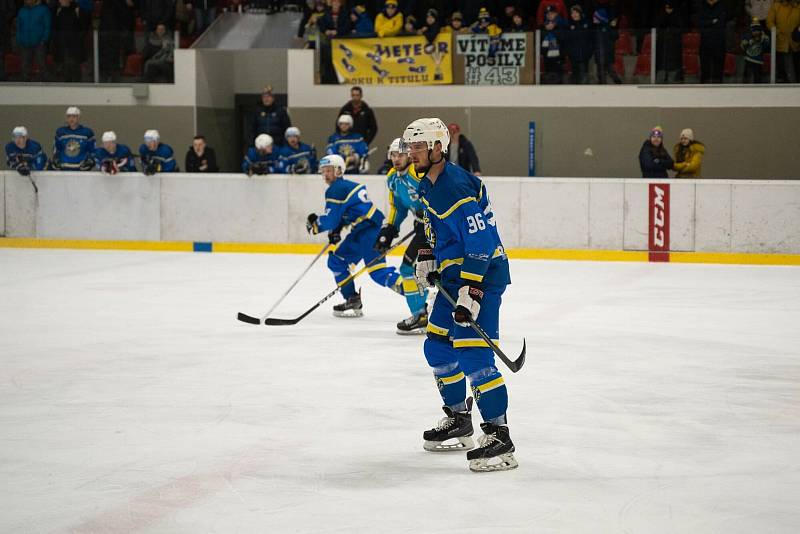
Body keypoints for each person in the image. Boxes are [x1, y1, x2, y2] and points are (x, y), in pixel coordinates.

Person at [402, 117, 517, 472]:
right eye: (411, 148)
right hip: (456, 276)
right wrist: (427, 253)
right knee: (436, 347)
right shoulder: (427, 184)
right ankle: (459, 418)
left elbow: (480, 241)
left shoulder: (455, 184)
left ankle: (500, 437)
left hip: (483, 274)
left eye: (418, 147)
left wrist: (473, 287)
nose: (412, 154)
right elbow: (437, 229)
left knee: (473, 357)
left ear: (438, 147)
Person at [305, 154, 405, 318]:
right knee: (337, 261)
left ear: (338, 170)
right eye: (323, 171)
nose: (325, 174)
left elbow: (330, 220)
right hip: (362, 230)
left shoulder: (336, 188)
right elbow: (348, 213)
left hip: (370, 232)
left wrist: (315, 226)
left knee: (378, 273)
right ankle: (352, 298)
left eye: (328, 170)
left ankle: (417, 294)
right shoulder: (344, 186)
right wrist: (337, 230)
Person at [374, 138, 429, 334]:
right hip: (425, 228)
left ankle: (422, 314)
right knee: (413, 269)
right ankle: (422, 314)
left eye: (402, 154)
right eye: (394, 155)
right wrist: (389, 230)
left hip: (439, 228)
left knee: (413, 269)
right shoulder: (393, 178)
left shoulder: (417, 172)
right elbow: (398, 207)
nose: (397, 159)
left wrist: (429, 214)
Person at [99, 0, 136, 83]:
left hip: (118, 28)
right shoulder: (109, 4)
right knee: (107, 52)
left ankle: (114, 74)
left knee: (114, 53)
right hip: (108, 28)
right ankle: (106, 74)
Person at [16, 0, 52, 82]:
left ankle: (47, 84)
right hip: (25, 42)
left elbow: (47, 26)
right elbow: (18, 26)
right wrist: (19, 39)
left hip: (39, 43)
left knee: (42, 64)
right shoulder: (22, 10)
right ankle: (24, 83)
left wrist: (44, 39)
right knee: (25, 65)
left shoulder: (44, 10)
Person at [767, 0, 800, 83]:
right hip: (780, 41)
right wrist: (776, 32)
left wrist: (798, 32)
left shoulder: (798, 6)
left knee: (797, 68)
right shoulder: (776, 6)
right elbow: (769, 22)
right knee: (781, 69)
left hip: (796, 42)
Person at [52, 0, 84, 82]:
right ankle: (67, 83)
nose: (61, 1)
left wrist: (78, 16)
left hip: (74, 42)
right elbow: (55, 26)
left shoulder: (76, 9)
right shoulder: (57, 10)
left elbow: (81, 26)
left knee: (74, 63)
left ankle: (77, 82)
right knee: (65, 64)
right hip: (63, 42)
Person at [655, 0, 686, 84]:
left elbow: (680, 29)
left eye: (670, 8)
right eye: (666, 8)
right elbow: (658, 26)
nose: (668, 10)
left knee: (673, 69)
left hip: (674, 48)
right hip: (663, 47)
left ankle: (674, 78)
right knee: (662, 66)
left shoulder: (678, 17)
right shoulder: (661, 16)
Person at [592, 0, 622, 84]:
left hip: (607, 54)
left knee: (609, 69)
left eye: (596, 17)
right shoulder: (595, 29)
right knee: (601, 70)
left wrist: (612, 27)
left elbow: (615, 36)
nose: (594, 19)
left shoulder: (608, 28)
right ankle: (602, 83)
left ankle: (617, 82)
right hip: (600, 55)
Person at [562, 4, 592, 84]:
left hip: (584, 56)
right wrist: (569, 52)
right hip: (573, 57)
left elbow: (591, 40)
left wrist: (589, 52)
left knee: (584, 78)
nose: (574, 15)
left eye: (576, 12)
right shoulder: (568, 26)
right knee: (575, 77)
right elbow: (566, 41)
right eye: (572, 13)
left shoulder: (587, 24)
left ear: (580, 13)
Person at [699, 0, 727, 83]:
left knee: (718, 68)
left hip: (719, 41)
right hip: (705, 41)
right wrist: (712, 21)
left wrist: (707, 22)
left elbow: (721, 22)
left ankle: (718, 86)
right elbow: (699, 22)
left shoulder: (722, 7)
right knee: (704, 68)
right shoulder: (702, 7)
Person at [741, 18, 771, 83]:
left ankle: (758, 87)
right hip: (748, 59)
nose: (756, 32)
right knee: (747, 75)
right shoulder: (747, 37)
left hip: (758, 61)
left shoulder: (763, 37)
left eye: (757, 30)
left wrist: (764, 39)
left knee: (757, 76)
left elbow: (766, 46)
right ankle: (745, 86)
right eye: (754, 31)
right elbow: (743, 46)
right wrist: (748, 42)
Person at [540, 6, 564, 84]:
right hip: (547, 57)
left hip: (558, 57)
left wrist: (555, 26)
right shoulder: (543, 27)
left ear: (556, 14)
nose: (549, 15)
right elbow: (540, 41)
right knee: (548, 79)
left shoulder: (561, 25)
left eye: (552, 13)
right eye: (548, 14)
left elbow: (563, 40)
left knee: (558, 79)